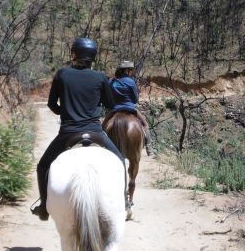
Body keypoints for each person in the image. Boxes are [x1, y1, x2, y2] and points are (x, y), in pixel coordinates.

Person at [31, 37, 125, 221]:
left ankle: (44, 207)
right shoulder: (100, 77)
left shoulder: (62, 74)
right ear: (93, 57)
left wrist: (65, 113)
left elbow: (51, 104)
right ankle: (124, 201)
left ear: (74, 54)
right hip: (95, 132)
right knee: (120, 160)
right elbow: (111, 105)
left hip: (68, 134)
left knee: (43, 166)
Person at [102, 60, 154, 156]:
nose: (133, 72)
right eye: (132, 70)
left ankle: (102, 147)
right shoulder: (130, 81)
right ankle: (150, 150)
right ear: (127, 71)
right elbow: (135, 99)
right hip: (129, 108)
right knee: (145, 124)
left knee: (103, 127)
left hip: (114, 109)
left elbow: (108, 96)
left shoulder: (112, 81)